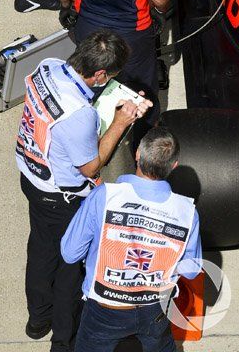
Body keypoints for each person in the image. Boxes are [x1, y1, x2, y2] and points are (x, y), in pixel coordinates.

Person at [16, 32, 153, 352]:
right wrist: (121, 121)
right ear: (101, 74)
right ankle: (63, 343)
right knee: (69, 271)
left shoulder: (47, 67)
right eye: (112, 76)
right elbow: (91, 168)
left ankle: (37, 320)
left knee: (40, 249)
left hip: (31, 175)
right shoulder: (80, 114)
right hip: (63, 197)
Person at [61, 126, 202, 352]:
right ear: (173, 166)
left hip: (105, 309)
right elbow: (192, 270)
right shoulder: (187, 212)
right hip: (155, 308)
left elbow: (69, 252)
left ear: (137, 154)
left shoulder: (104, 196)